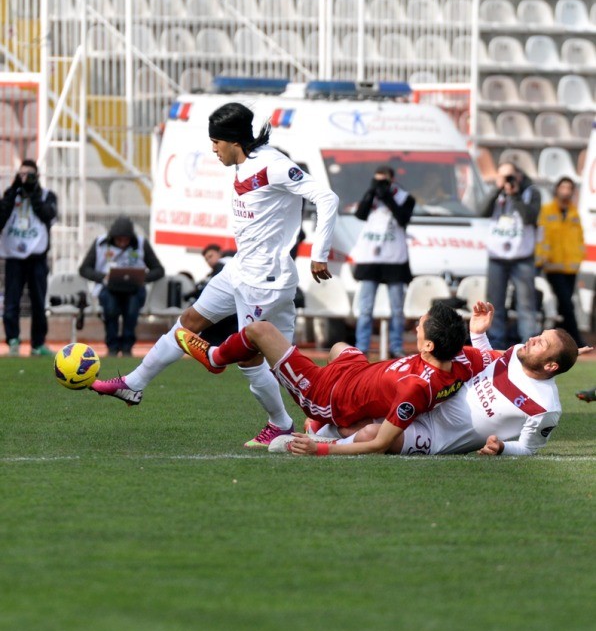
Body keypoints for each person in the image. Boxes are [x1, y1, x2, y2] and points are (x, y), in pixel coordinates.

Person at [91, 101, 339, 448]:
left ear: (234, 141)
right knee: (191, 321)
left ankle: (289, 422)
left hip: (264, 281)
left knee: (259, 359)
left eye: (216, 142)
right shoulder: (245, 163)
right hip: (240, 269)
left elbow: (327, 198)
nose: (213, 149)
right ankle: (134, 384)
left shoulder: (273, 166)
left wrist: (319, 253)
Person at [174, 301, 488, 455]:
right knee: (341, 346)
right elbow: (506, 357)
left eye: (420, 326)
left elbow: (380, 442)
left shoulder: (415, 388)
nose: (416, 326)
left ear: (430, 345)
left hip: (327, 394)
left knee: (260, 331)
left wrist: (321, 450)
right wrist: (479, 331)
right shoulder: (463, 358)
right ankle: (325, 421)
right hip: (354, 370)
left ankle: (215, 359)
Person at [282, 304, 580, 457]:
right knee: (355, 420)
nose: (531, 339)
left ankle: (319, 442)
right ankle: (322, 430)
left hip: (439, 438)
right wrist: (477, 334)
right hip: (430, 406)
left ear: (551, 365)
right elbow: (489, 364)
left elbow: (529, 448)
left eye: (541, 343)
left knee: (368, 436)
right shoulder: (516, 352)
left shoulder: (545, 406)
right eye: (538, 335)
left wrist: (503, 448)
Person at [351, 165, 415, 358]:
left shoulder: (405, 197)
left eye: (384, 181)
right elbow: (360, 214)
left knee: (397, 309)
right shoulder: (371, 197)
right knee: (366, 308)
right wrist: (372, 191)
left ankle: (396, 347)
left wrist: (387, 195)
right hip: (371, 259)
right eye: (377, 180)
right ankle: (361, 347)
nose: (381, 184)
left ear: (392, 179)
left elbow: (403, 218)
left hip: (394, 259)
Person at [79, 215, 164, 356]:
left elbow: (158, 270)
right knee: (110, 309)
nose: (123, 243)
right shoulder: (100, 244)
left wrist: (142, 277)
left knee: (131, 310)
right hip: (108, 288)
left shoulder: (142, 244)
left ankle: (127, 347)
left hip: (134, 289)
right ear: (112, 237)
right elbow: (84, 269)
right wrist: (102, 277)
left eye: (126, 240)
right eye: (119, 240)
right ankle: (112, 347)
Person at [481, 161, 541, 350]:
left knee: (526, 304)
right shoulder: (496, 193)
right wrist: (497, 190)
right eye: (502, 176)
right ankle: (496, 343)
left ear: (519, 176)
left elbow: (530, 217)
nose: (507, 180)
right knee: (494, 304)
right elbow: (481, 212)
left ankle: (528, 345)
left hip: (521, 257)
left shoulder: (531, 192)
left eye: (510, 176)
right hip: (497, 257)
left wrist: (515, 196)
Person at [0, 159, 58, 357]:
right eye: (21, 174)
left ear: (37, 176)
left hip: (37, 257)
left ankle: (38, 343)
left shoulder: (47, 195)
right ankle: (13, 340)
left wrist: (33, 192)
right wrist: (13, 189)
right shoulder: (10, 195)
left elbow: (47, 215)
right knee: (12, 301)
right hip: (14, 256)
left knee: (38, 301)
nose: (25, 179)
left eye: (29, 175)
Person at [535, 176, 586, 348]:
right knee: (566, 304)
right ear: (557, 189)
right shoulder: (547, 210)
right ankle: (576, 340)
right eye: (563, 187)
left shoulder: (573, 212)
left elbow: (578, 238)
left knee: (564, 306)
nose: (566, 191)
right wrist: (541, 258)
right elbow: (542, 236)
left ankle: (562, 343)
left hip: (570, 267)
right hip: (553, 266)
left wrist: (579, 258)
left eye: (569, 188)